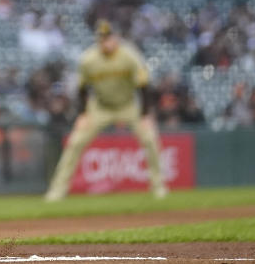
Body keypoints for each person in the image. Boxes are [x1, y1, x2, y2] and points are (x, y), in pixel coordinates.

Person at [44, 20, 167, 201]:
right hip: (100, 107)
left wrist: (145, 114)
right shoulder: (89, 59)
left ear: (116, 38)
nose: (105, 42)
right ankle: (57, 190)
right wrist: (83, 114)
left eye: (108, 38)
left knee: (150, 138)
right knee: (75, 142)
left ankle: (159, 187)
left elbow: (144, 86)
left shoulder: (129, 56)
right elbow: (82, 89)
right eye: (102, 39)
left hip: (128, 105)